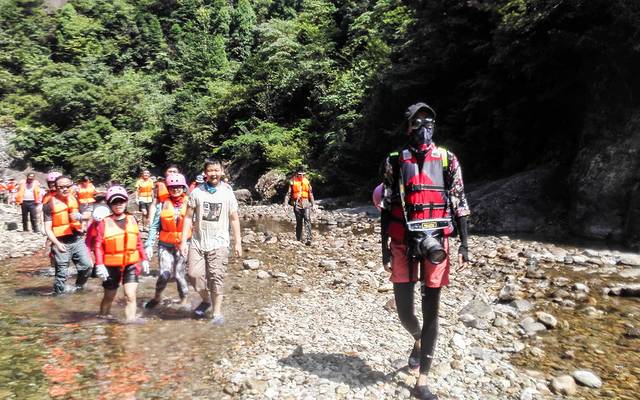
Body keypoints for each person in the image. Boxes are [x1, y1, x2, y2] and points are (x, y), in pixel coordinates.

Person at [379, 102, 470, 400]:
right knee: (405, 311)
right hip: (402, 241)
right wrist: (383, 248)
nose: (424, 128)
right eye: (417, 122)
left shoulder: (447, 159)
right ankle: (418, 338)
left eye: (428, 121)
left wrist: (464, 244)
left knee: (432, 310)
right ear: (408, 127)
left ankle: (423, 381)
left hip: (436, 242)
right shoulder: (394, 161)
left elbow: (459, 202)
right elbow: (387, 205)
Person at [180, 159, 241, 325]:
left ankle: (217, 313)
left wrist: (238, 242)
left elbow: (234, 219)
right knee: (193, 275)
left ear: (222, 171)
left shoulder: (227, 193)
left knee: (216, 277)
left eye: (216, 170)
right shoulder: (197, 192)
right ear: (205, 173)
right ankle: (206, 300)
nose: (214, 173)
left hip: (219, 242)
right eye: (210, 170)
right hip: (198, 241)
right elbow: (188, 218)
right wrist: (183, 241)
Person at [93, 186, 149, 322]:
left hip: (131, 263)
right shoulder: (103, 223)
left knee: (130, 295)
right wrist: (99, 264)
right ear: (109, 204)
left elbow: (138, 242)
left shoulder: (132, 219)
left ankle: (130, 323)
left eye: (121, 201)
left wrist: (144, 259)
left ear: (126, 202)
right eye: (114, 202)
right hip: (111, 265)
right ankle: (102, 318)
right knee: (109, 296)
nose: (118, 204)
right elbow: (98, 245)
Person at [144, 173, 191, 309]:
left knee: (179, 274)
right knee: (164, 274)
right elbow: (154, 226)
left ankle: (184, 300)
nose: (175, 189)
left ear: (183, 188)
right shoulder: (162, 205)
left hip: (184, 244)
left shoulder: (190, 203)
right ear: (168, 189)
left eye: (178, 187)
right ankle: (157, 296)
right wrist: (149, 244)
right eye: (172, 187)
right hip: (165, 245)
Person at [43, 175, 93, 295]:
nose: (65, 189)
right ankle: (58, 296)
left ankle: (79, 288)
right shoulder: (49, 204)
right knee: (62, 273)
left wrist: (81, 218)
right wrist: (56, 244)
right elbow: (47, 228)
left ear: (71, 186)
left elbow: (88, 215)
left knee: (87, 266)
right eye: (61, 187)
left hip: (77, 239)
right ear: (56, 187)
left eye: (67, 186)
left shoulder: (75, 198)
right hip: (61, 242)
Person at [283, 166, 315, 245]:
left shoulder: (307, 182)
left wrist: (313, 204)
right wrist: (285, 204)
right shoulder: (293, 182)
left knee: (307, 219)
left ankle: (309, 239)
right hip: (297, 203)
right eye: (300, 174)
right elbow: (288, 194)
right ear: (297, 174)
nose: (301, 176)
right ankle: (298, 238)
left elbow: (310, 193)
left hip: (306, 202)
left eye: (303, 174)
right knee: (299, 222)